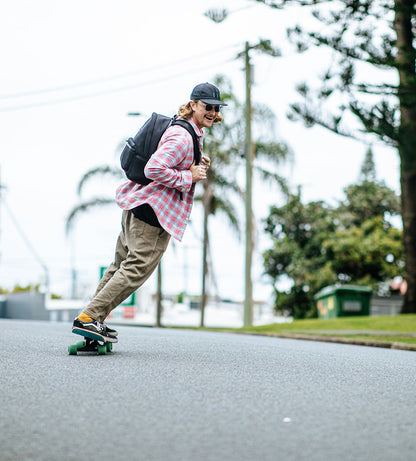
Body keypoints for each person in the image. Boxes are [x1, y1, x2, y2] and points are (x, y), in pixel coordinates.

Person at [72, 82, 227, 342]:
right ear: (193, 105)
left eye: (215, 108)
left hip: (139, 205)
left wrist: (195, 163)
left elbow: (165, 160)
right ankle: (89, 317)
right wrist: (188, 176)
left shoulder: (185, 128)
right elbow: (153, 169)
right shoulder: (182, 135)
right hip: (152, 214)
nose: (211, 112)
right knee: (135, 268)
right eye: (206, 107)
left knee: (120, 265)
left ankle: (93, 318)